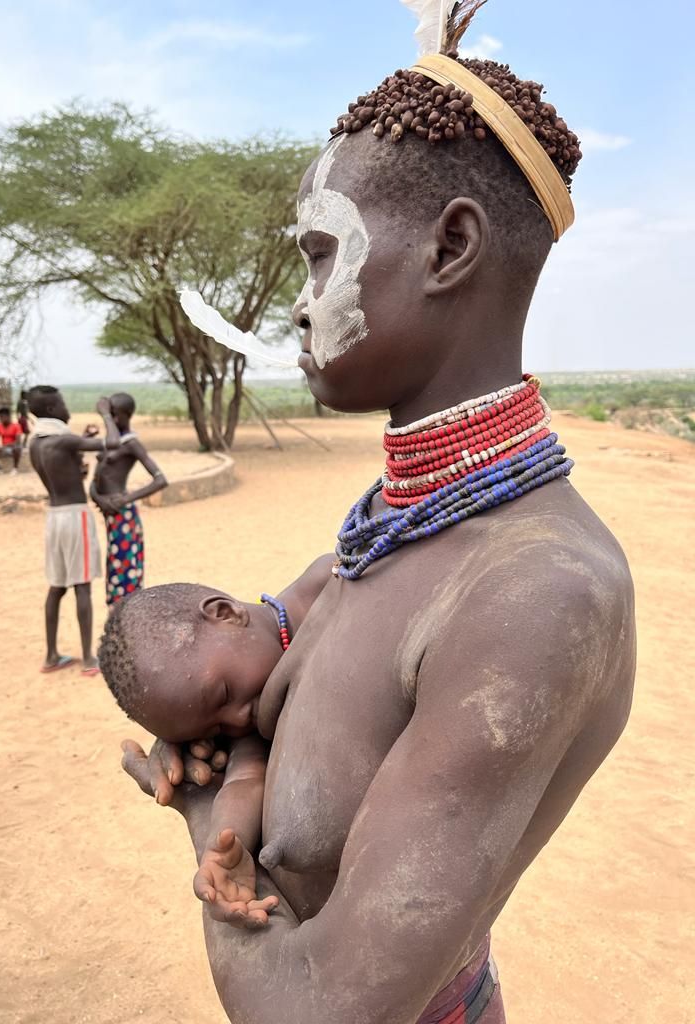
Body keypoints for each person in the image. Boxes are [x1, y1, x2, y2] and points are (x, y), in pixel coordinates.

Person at [120, 12, 636, 1024]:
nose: (303, 305)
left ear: (450, 246)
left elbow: (316, 1010)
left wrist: (198, 821)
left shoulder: (535, 592)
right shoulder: (396, 525)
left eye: (322, 255)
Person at [99, 556, 333, 925]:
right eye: (215, 732)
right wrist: (222, 849)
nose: (238, 720)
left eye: (223, 694)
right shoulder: (256, 717)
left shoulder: (336, 586)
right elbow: (244, 778)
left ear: (225, 613)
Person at [28, 385, 120, 676]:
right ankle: (89, 660)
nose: (67, 408)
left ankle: (52, 655)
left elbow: (67, 470)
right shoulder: (65, 440)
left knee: (57, 586)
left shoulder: (36, 442)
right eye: (63, 403)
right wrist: (106, 414)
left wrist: (82, 441)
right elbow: (114, 442)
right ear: (53, 410)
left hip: (54, 517)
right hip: (75, 516)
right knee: (82, 585)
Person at [89, 392, 168, 607]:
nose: (112, 420)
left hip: (124, 516)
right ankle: (118, 619)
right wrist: (98, 498)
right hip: (111, 515)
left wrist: (126, 499)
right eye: (109, 415)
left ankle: (128, 618)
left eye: (115, 415)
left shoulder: (131, 443)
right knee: (115, 568)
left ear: (127, 415)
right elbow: (95, 480)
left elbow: (160, 480)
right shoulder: (110, 443)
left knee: (125, 571)